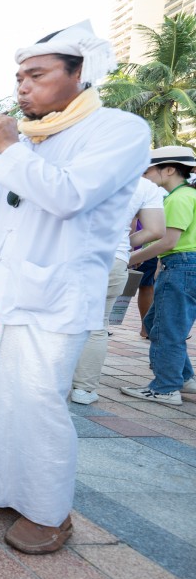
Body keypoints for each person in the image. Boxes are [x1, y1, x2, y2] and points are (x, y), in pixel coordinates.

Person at [0, 20, 150, 554]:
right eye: (19, 77)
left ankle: (50, 512)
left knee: (37, 403)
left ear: (78, 74)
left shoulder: (117, 131)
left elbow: (69, 196)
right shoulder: (26, 142)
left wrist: (9, 147)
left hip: (54, 296)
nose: (22, 87)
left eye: (36, 74)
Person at [72, 176, 164, 404]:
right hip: (112, 258)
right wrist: (124, 243)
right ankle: (83, 390)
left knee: (53, 318)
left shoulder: (80, 168)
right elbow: (155, 230)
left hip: (68, 253)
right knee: (97, 325)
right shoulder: (144, 186)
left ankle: (47, 380)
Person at [121, 147, 196, 405]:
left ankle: (165, 387)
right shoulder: (187, 194)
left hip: (181, 265)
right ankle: (183, 378)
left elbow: (168, 241)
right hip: (185, 266)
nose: (146, 176)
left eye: (149, 170)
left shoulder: (178, 198)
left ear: (169, 169)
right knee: (157, 323)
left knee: (167, 329)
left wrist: (129, 257)